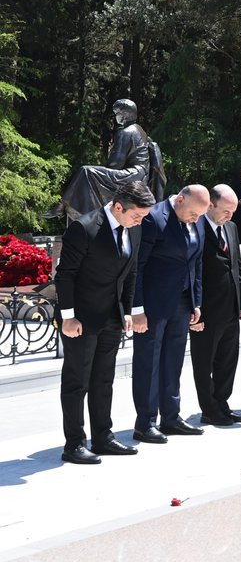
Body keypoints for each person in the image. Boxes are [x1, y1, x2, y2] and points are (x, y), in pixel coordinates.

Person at [55, 181, 156, 464]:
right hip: (81, 319)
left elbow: (131, 273)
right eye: (137, 215)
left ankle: (103, 437)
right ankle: (74, 443)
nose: (140, 221)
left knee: (103, 380)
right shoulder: (84, 228)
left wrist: (127, 311)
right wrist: (68, 317)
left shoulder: (133, 231)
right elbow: (65, 275)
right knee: (78, 381)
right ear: (119, 206)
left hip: (112, 316)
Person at [130, 185, 211, 444]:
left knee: (173, 361)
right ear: (179, 200)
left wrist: (195, 301)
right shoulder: (154, 218)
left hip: (182, 302)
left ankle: (171, 416)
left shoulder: (196, 222)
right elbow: (138, 266)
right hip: (154, 305)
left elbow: (196, 264)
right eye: (193, 213)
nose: (196, 219)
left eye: (200, 215)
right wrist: (137, 309)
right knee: (148, 363)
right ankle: (145, 422)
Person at [188, 185, 241, 427]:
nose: (229, 216)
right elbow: (192, 272)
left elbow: (237, 266)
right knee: (204, 362)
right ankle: (209, 409)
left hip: (231, 308)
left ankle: (222, 403)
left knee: (227, 360)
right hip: (206, 310)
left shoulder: (231, 228)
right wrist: (194, 308)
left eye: (233, 211)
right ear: (210, 205)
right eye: (225, 211)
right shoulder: (196, 228)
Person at [48, 99, 164, 220]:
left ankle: (63, 206)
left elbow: (115, 164)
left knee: (86, 171)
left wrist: (104, 171)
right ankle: (63, 205)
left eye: (117, 114)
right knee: (89, 173)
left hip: (131, 175)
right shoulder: (139, 130)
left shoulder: (125, 132)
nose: (116, 117)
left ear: (125, 115)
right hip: (139, 175)